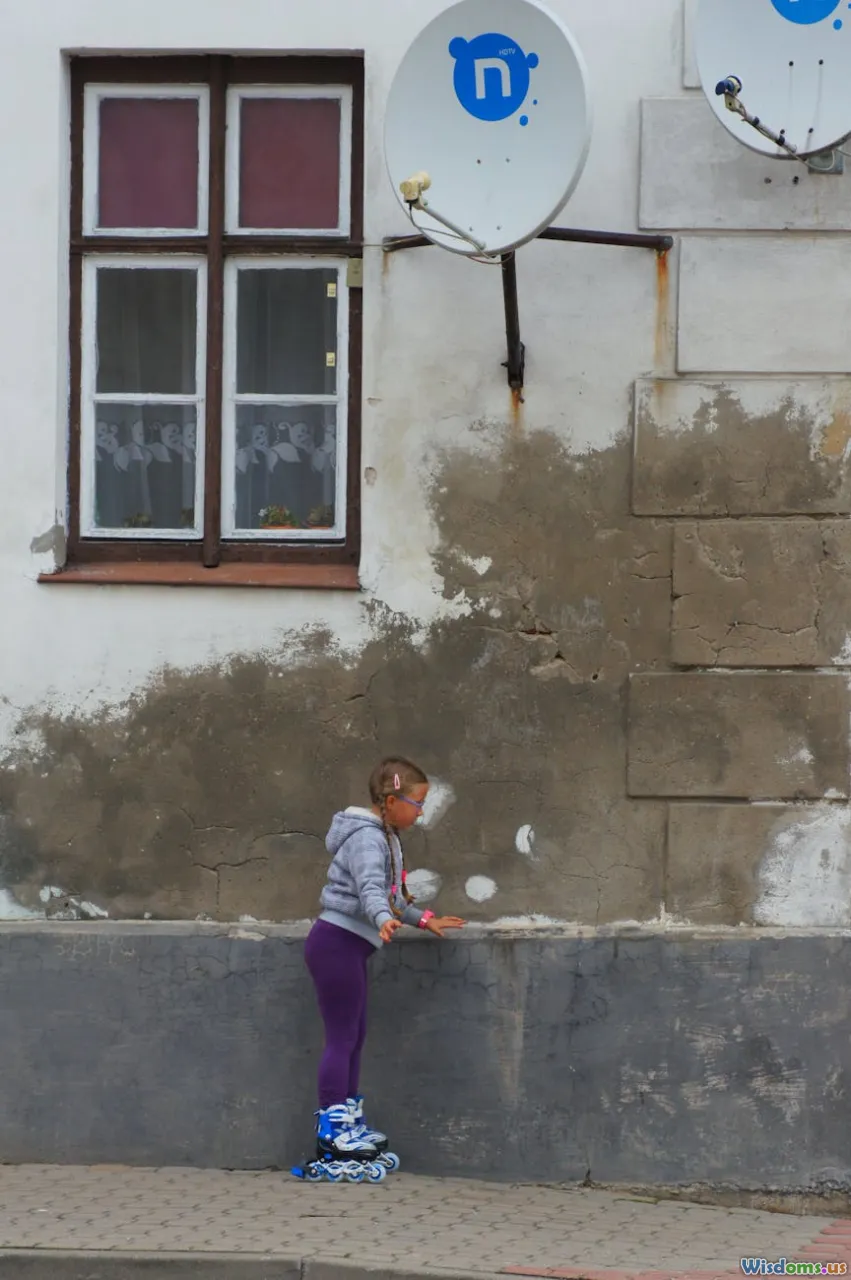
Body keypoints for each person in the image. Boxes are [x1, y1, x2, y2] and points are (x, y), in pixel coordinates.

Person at [303, 756, 466, 1175]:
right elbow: (371, 890)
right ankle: (332, 1129)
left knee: (355, 1035)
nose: (420, 812)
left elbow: (392, 898)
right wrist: (380, 918)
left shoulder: (386, 836)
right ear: (391, 800)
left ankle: (349, 1121)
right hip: (335, 943)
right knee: (342, 1037)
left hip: (349, 945)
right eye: (416, 803)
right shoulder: (366, 839)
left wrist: (425, 920)